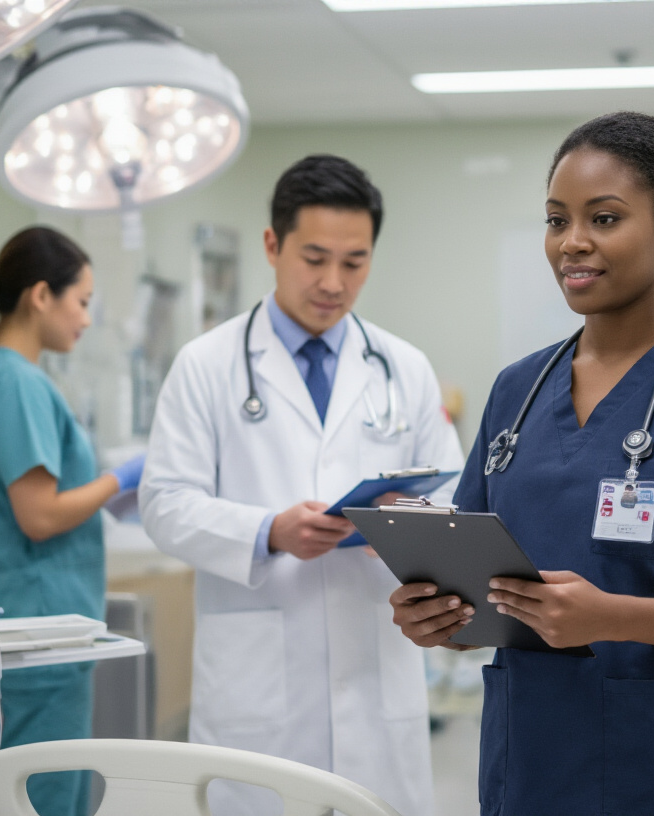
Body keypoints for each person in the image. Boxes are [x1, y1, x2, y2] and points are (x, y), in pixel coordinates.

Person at [390, 111, 654, 815]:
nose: (573, 242)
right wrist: (440, 619)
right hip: (527, 759)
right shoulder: (517, 390)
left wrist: (612, 617)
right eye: (556, 219)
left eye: (605, 217)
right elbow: (478, 586)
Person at [139, 154, 465, 816]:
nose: (333, 282)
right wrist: (269, 530)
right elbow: (164, 502)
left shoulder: (404, 367)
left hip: (375, 665)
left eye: (354, 261)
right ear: (271, 245)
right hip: (259, 683)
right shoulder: (207, 366)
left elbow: (456, 495)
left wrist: (411, 522)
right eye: (314, 258)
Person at [0, 226, 144, 816]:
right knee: (46, 800)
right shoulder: (14, 381)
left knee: (25, 794)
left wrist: (103, 493)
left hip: (31, 625)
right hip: (37, 632)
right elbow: (37, 516)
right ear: (40, 295)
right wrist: (123, 478)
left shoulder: (0, 375)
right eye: (81, 302)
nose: (86, 319)